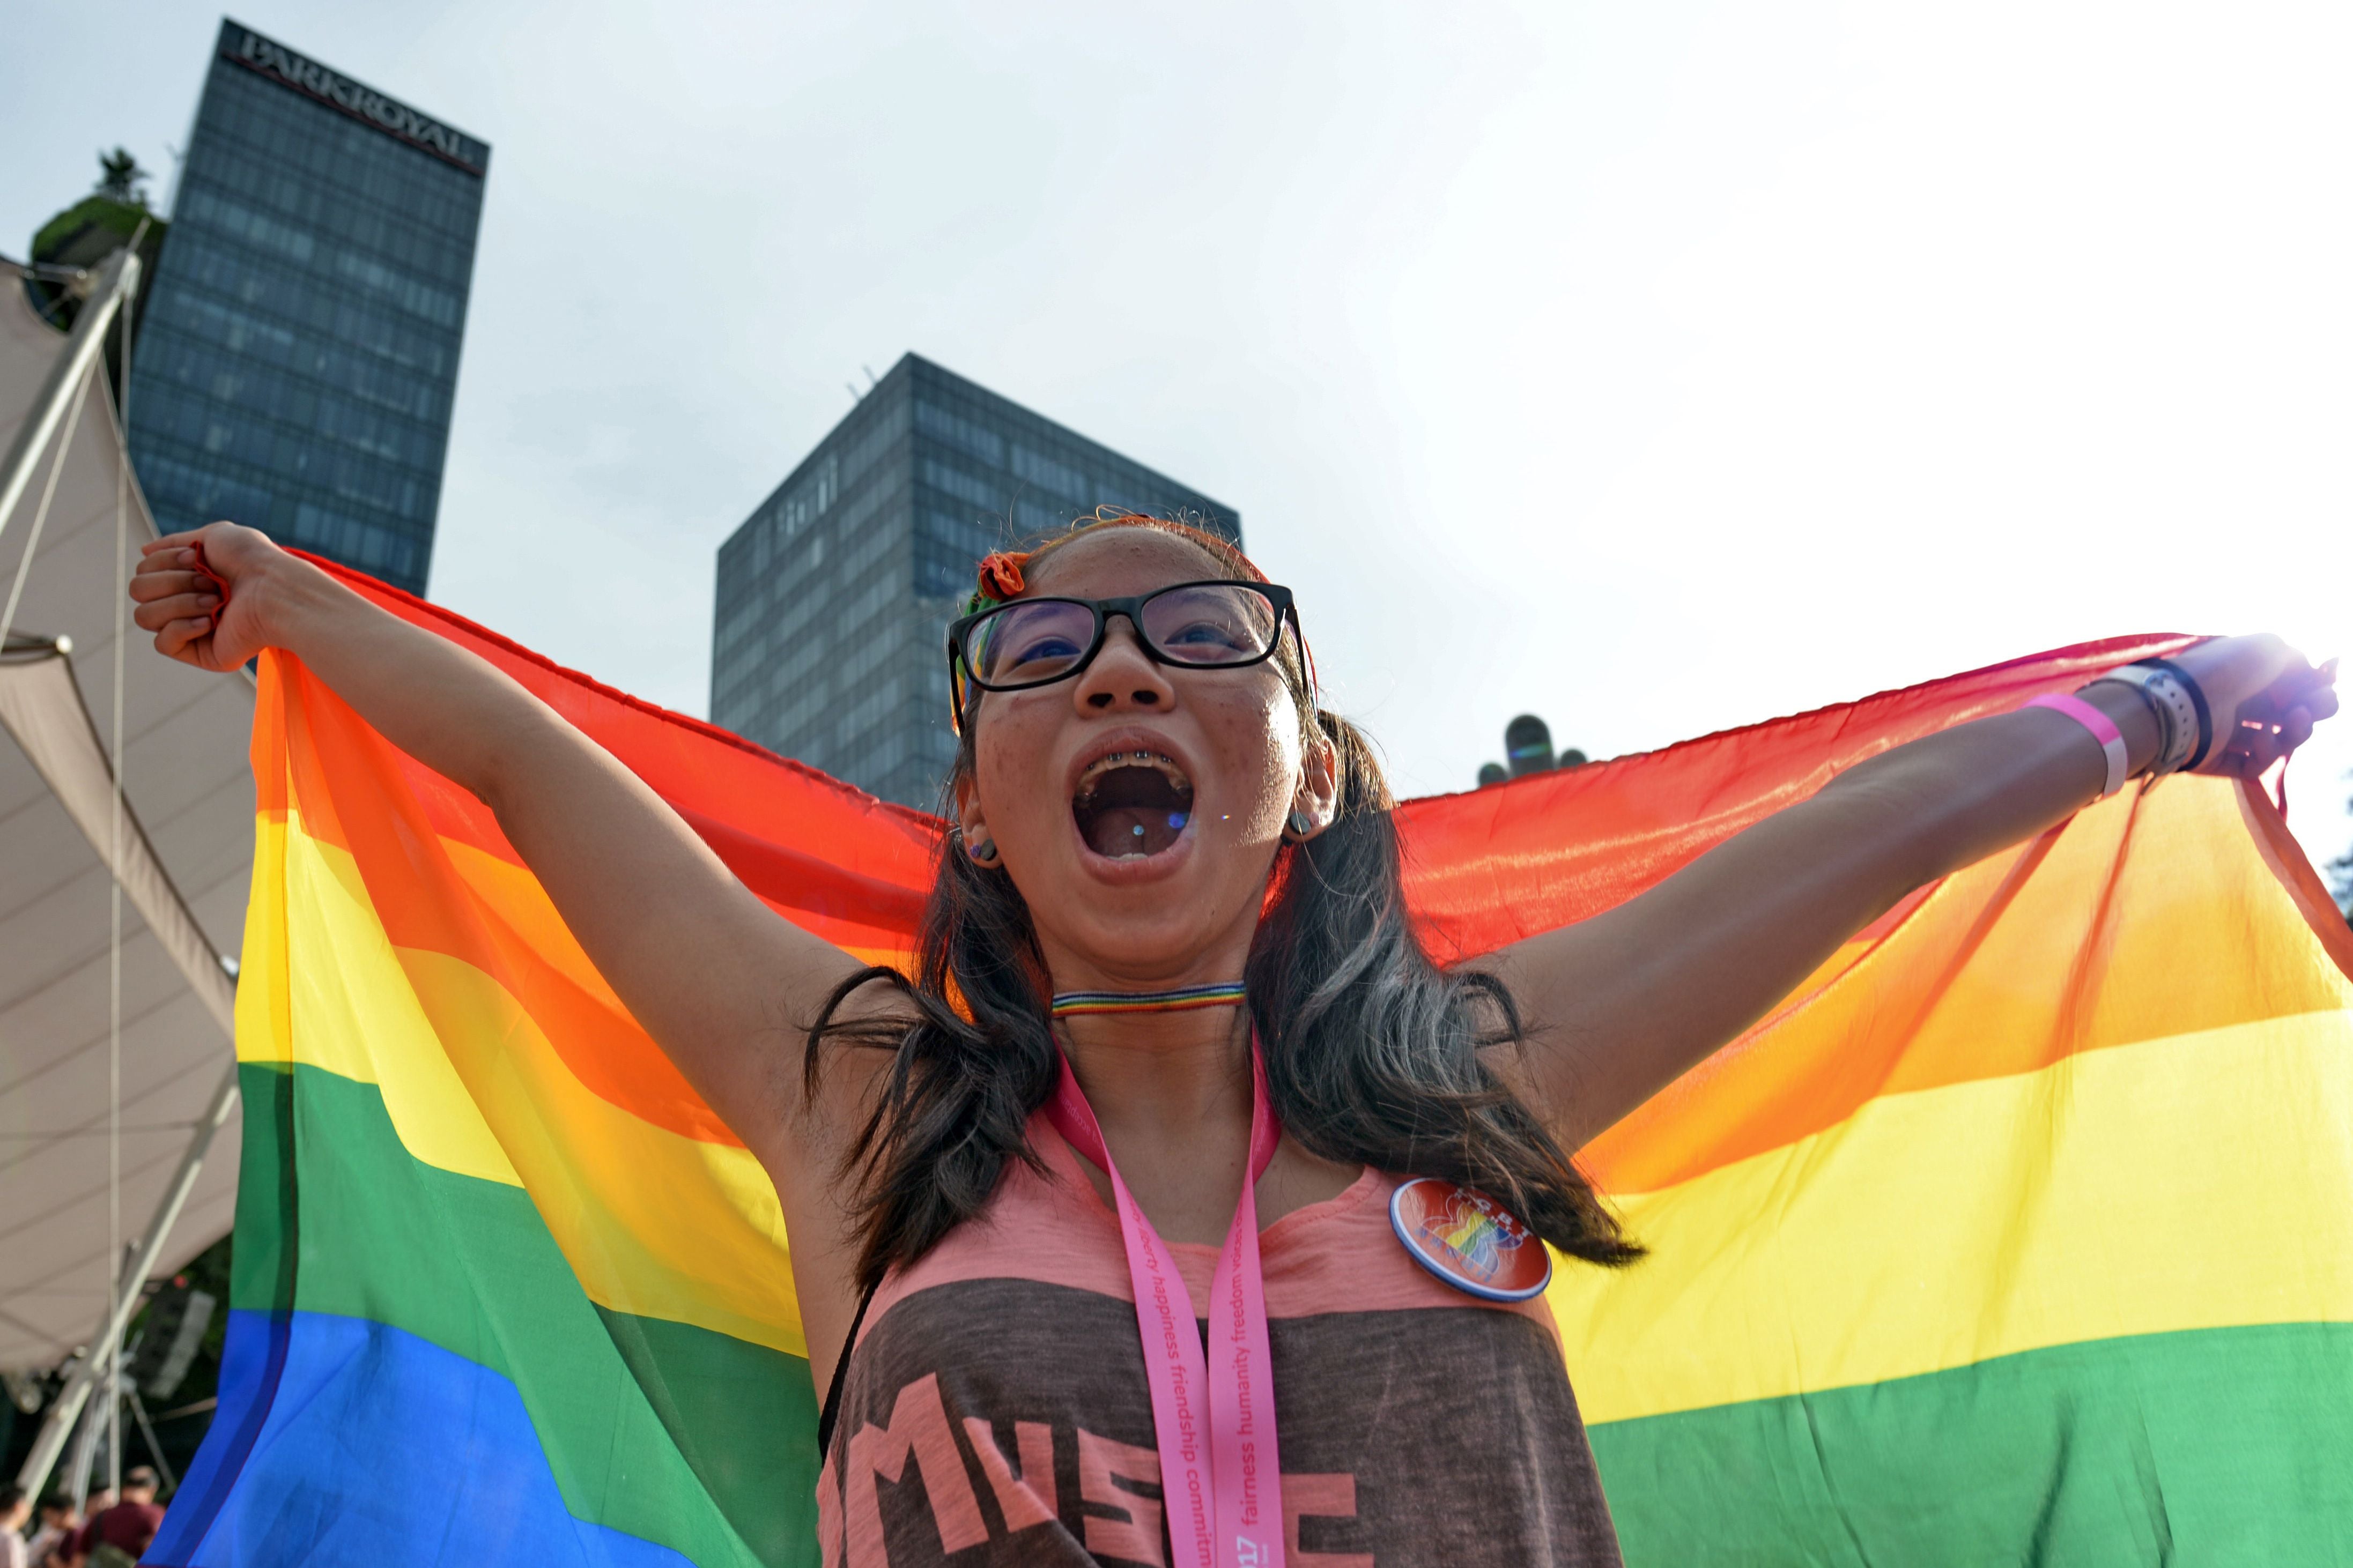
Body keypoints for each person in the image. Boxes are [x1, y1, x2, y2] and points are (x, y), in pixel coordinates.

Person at [130, 516, 2335, 1564]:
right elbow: (537, 788)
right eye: (1047, 656)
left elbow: (1830, 858)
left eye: (1199, 638)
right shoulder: (859, 1096)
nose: (1116, 672)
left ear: (1298, 769)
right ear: (979, 816)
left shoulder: (1460, 1077)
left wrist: (2145, 713)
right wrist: (303, 613)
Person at [56, 1469, 161, 1568]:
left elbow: (79, 1560)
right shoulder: (155, 1515)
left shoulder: (101, 1516)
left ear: (124, 1488)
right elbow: (158, 1556)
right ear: (152, 1489)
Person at [23, 1494, 73, 1568]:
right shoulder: (56, 1535)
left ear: (67, 1513)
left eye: (51, 1518)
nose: (50, 1523)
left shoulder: (78, 1535)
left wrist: (51, 1559)